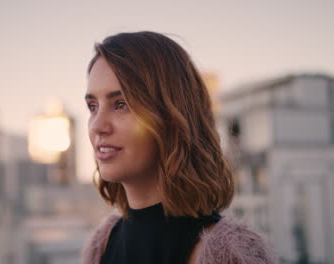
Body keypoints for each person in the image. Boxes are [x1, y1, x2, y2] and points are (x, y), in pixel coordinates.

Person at [81, 31, 277, 264]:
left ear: (171, 116)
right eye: (93, 107)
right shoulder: (101, 245)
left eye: (121, 104)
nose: (97, 126)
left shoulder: (226, 254)